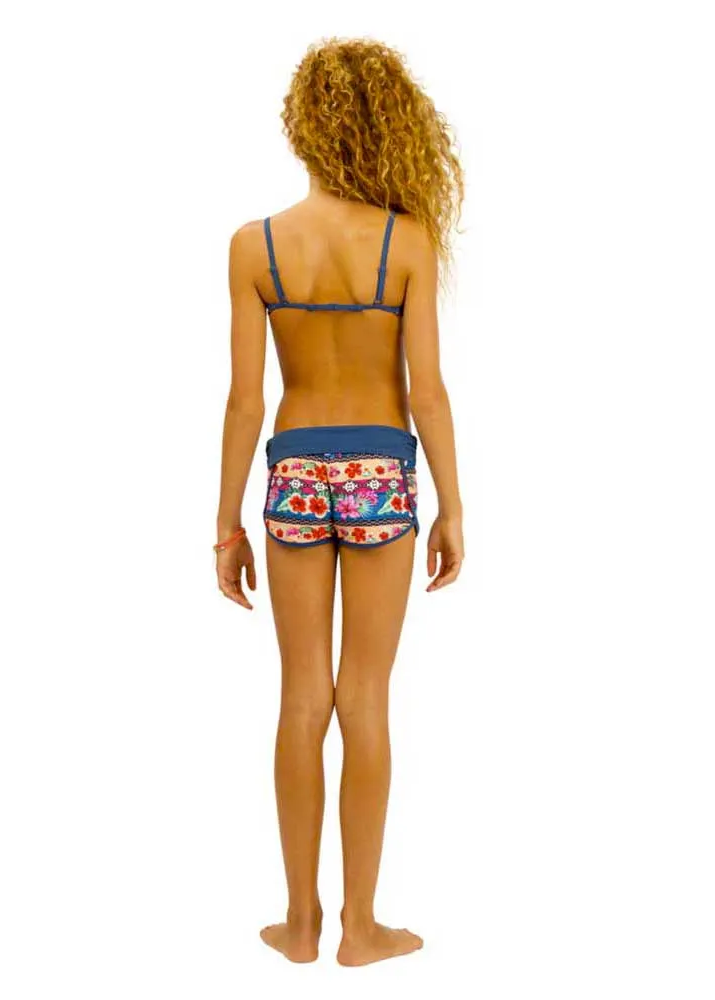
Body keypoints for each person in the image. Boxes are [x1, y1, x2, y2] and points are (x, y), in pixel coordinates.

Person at [214, 38, 465, 966]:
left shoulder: (256, 245)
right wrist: (452, 506)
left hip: (293, 469)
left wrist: (225, 523)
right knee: (365, 696)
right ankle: (361, 926)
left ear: (305, 124)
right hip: (380, 472)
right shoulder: (407, 242)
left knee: (300, 696)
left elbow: (246, 401)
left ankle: (300, 923)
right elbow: (427, 393)